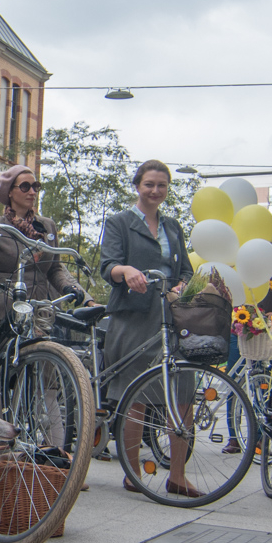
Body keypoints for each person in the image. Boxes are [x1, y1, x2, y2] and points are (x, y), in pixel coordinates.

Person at [98, 160, 200, 494]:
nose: (156, 191)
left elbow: (185, 270)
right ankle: (132, 473)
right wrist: (126, 270)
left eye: (162, 185)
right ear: (137, 186)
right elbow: (107, 266)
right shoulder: (119, 223)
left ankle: (177, 476)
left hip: (170, 316)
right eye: (149, 184)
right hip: (134, 317)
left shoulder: (173, 226)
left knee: (183, 391)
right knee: (135, 395)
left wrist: (181, 288)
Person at [0, 164, 88, 368]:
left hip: (39, 309)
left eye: (36, 186)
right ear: (10, 192)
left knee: (43, 370)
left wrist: (70, 288)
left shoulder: (47, 226)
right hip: (2, 306)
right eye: (25, 186)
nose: (32, 192)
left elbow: (55, 268)